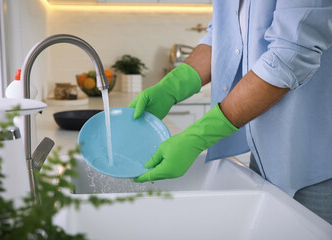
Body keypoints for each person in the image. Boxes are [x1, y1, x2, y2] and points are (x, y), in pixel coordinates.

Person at [129, 0, 332, 224]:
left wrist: (197, 136)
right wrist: (171, 88)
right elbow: (224, 34)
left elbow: (290, 56)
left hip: (317, 162)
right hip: (267, 153)